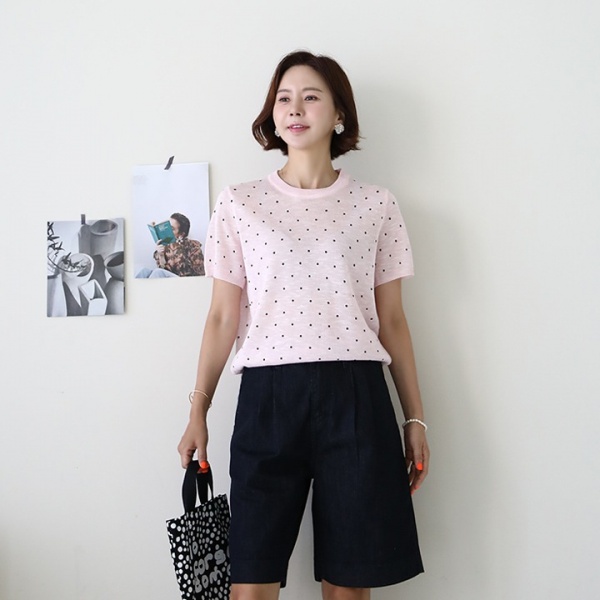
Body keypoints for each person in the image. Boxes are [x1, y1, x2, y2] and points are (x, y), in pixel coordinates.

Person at [178, 50, 429, 600]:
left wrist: (415, 418)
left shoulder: (376, 205)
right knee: (249, 584)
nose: (295, 108)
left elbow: (392, 320)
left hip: (357, 397)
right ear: (272, 114)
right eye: (284, 98)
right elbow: (221, 316)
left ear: (339, 114)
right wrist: (198, 409)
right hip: (267, 399)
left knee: (349, 586)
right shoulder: (240, 203)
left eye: (311, 96)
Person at [136, 212, 205, 278]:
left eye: (172, 229)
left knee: (158, 272)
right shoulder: (165, 245)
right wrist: (161, 255)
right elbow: (163, 271)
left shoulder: (192, 246)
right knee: (143, 271)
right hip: (168, 280)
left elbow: (200, 273)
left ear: (181, 234)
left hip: (184, 281)